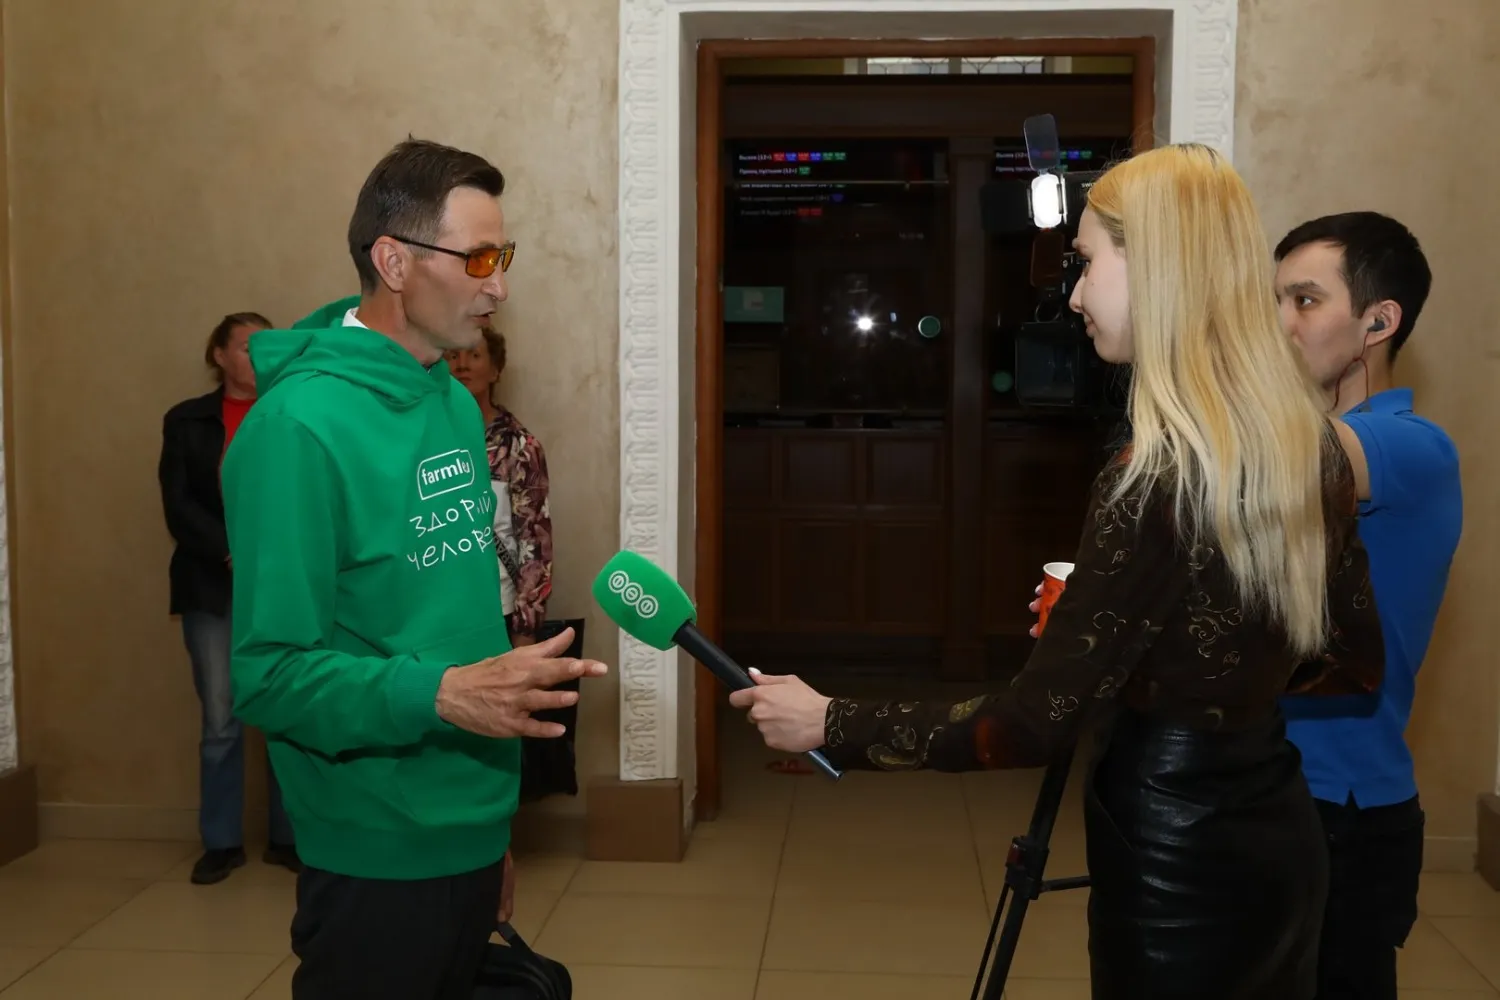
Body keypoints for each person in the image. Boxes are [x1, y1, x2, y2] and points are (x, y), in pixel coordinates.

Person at [729, 144, 1385, 999]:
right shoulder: (1308, 448)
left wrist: (831, 721)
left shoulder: (1154, 475)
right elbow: (1350, 658)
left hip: (1176, 869)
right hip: (1278, 837)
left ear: (1157, 267)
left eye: (1087, 261)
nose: (1073, 295)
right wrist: (1165, 647)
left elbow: (1030, 725)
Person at [221, 138, 607, 1000]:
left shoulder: (450, 403)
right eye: (478, 258)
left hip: (467, 824)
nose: (499, 287)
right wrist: (441, 695)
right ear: (393, 261)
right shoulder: (296, 430)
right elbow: (269, 675)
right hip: (375, 845)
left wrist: (490, 834)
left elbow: (455, 623)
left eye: (503, 257)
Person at [1274, 212, 1462, 1000]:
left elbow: (1292, 461)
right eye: (1275, 303)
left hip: (1342, 810)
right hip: (1269, 785)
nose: (1281, 324)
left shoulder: (1411, 446)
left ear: (1378, 323)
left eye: (1305, 301)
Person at [159, 311, 300, 884]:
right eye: (246, 346)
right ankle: (221, 842)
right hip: (213, 587)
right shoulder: (187, 421)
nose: (258, 355)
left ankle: (290, 838)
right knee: (221, 717)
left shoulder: (290, 409)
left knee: (289, 711)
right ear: (219, 355)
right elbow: (178, 505)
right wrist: (230, 550)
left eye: (267, 345)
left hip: (285, 587)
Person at [444, 325, 553, 647]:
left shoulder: (519, 446)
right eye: (452, 356)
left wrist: (525, 630)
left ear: (495, 370)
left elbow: (535, 545)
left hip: (497, 609)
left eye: (474, 355)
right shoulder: (428, 439)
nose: (462, 365)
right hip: (438, 610)